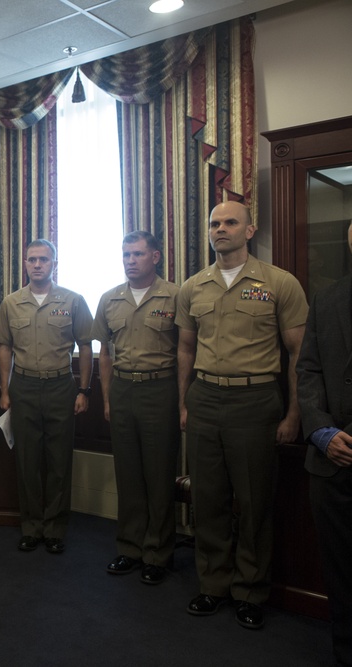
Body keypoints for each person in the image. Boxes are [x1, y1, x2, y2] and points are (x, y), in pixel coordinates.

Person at [177, 200, 307, 630]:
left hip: (256, 403)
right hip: (206, 399)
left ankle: (250, 590)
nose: (221, 229)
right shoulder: (194, 286)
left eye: (231, 222)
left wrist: (293, 414)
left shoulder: (278, 283)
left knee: (254, 502)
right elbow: (185, 350)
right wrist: (183, 403)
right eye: (214, 223)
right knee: (208, 499)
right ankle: (213, 585)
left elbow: (297, 354)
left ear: (249, 231)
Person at [0, 239, 93, 554]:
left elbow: (86, 345)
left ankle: (55, 528)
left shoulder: (73, 301)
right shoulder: (12, 302)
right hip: (23, 387)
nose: (37, 265)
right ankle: (31, 526)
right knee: (28, 460)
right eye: (32, 260)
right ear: (25, 264)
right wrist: (5, 390)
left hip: (61, 386)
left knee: (59, 460)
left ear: (54, 264)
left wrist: (84, 389)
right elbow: (4, 346)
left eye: (43, 260)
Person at [92, 231, 179, 584]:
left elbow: (188, 349)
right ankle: (129, 548)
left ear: (155, 257)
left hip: (161, 387)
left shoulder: (175, 296)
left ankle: (157, 553)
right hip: (124, 389)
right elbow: (105, 353)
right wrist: (109, 398)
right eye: (126, 255)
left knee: (158, 476)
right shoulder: (110, 299)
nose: (131, 260)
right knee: (127, 475)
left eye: (138, 254)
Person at [296, 222, 352, 665]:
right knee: (341, 571)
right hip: (332, 460)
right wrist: (321, 430)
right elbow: (308, 370)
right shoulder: (327, 298)